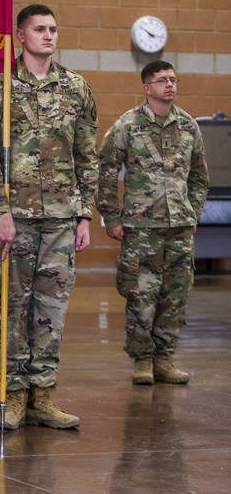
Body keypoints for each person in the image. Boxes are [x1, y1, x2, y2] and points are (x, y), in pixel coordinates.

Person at [0, 3, 98, 430]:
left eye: (53, 29)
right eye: (39, 29)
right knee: (9, 307)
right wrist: (0, 211)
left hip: (61, 218)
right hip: (16, 218)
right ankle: (11, 396)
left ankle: (43, 396)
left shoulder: (76, 88)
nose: (48, 35)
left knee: (52, 308)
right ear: (20, 35)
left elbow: (86, 156)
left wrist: (83, 215)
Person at [97, 60, 208, 385]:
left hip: (179, 229)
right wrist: (111, 216)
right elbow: (104, 171)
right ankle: (142, 360)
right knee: (141, 295)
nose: (169, 85)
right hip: (140, 229)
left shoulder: (189, 126)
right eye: (162, 80)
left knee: (175, 296)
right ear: (147, 88)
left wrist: (194, 213)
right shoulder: (127, 125)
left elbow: (200, 176)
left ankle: (165, 358)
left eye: (173, 79)